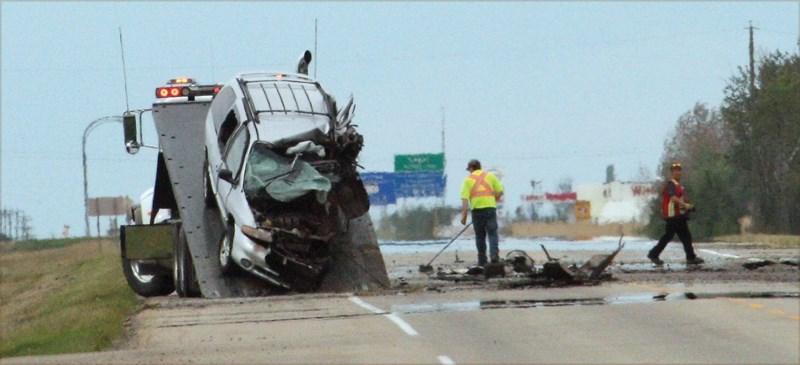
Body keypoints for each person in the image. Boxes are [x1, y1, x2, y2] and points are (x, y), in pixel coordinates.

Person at [648, 162, 705, 266]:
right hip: (672, 215)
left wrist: (688, 206)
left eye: (679, 170)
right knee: (671, 236)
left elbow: (681, 199)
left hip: (678, 215)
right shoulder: (671, 184)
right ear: (672, 173)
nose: (677, 172)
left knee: (684, 236)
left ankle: (690, 257)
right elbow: (673, 198)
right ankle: (653, 254)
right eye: (675, 171)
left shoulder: (679, 186)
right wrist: (685, 205)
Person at [460, 159, 504, 266]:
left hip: (477, 211)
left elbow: (465, 200)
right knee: (492, 233)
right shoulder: (490, 176)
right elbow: (500, 191)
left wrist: (464, 217)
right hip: (490, 209)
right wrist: (494, 201)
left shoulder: (468, 180)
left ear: (471, 168)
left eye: (469, 169)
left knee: (480, 235)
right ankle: (494, 257)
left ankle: (482, 260)